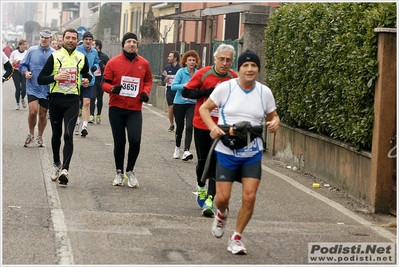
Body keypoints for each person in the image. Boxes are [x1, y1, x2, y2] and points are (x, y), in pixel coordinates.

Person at [199, 49, 280, 255]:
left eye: (254, 66)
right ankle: (222, 213)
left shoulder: (265, 92)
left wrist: (275, 122)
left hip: (252, 152)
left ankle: (236, 237)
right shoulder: (225, 88)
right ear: (239, 69)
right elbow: (204, 109)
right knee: (222, 198)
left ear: (258, 70)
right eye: (246, 65)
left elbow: (273, 115)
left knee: (250, 197)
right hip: (227, 150)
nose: (250, 69)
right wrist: (212, 127)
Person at [182, 44, 237, 217]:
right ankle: (200, 187)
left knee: (217, 162)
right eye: (221, 59)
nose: (224, 63)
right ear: (215, 59)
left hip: (223, 127)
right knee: (203, 161)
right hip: (202, 124)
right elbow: (186, 92)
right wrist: (207, 92)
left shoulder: (234, 78)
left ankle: (209, 200)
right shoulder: (203, 74)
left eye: (228, 60)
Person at [37, 28, 91, 185]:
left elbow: (87, 74)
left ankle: (65, 169)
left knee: (68, 134)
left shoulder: (81, 57)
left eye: (74, 38)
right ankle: (56, 163)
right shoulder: (54, 56)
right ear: (62, 39)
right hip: (55, 100)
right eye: (68, 37)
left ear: (77, 40)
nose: (71, 40)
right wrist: (55, 77)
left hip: (73, 100)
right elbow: (41, 79)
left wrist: (86, 80)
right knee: (56, 134)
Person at [101, 32, 152, 187]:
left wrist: (145, 92)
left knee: (135, 140)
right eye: (129, 41)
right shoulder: (113, 63)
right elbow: (104, 83)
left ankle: (130, 171)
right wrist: (112, 89)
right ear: (123, 44)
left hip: (134, 109)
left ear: (137, 45)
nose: (131, 44)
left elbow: (148, 80)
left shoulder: (144, 63)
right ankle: (118, 172)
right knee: (120, 142)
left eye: (134, 42)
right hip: (116, 108)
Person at [19, 29, 55, 148]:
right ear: (40, 37)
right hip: (33, 86)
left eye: (46, 37)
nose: (44, 39)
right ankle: (30, 134)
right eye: (42, 37)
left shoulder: (54, 53)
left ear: (50, 39)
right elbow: (22, 64)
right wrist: (26, 72)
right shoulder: (32, 50)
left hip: (47, 88)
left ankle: (40, 136)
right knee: (33, 111)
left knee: (43, 115)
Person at [170, 50, 200, 160]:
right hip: (179, 103)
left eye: (194, 60)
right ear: (185, 62)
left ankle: (186, 151)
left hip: (192, 103)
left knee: (189, 126)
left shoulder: (198, 73)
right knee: (180, 127)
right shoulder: (181, 72)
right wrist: (185, 85)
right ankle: (177, 148)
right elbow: (173, 86)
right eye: (190, 60)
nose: (192, 62)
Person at [75, 31, 99, 137]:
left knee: (87, 102)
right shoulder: (77, 50)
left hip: (89, 80)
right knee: (77, 103)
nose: (88, 41)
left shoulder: (94, 51)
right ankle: (76, 122)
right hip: (77, 80)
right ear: (83, 40)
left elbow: (97, 62)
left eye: (90, 40)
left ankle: (84, 126)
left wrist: (95, 66)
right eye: (86, 39)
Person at [90, 39, 109, 124]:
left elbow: (109, 69)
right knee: (92, 98)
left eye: (93, 44)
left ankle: (98, 115)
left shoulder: (104, 57)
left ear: (97, 46)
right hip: (93, 80)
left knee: (99, 98)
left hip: (101, 80)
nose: (91, 45)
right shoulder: (91, 55)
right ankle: (91, 116)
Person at [162, 51, 180, 132]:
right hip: (169, 91)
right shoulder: (167, 67)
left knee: (177, 109)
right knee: (171, 108)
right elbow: (163, 81)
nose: (168, 58)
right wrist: (165, 77)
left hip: (178, 92)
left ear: (175, 58)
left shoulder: (181, 68)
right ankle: (172, 124)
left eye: (170, 57)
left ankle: (179, 123)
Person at [9, 39, 27, 110]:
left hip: (23, 72)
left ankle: (22, 99)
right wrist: (13, 62)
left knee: (24, 88)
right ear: (19, 45)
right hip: (15, 72)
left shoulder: (27, 52)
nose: (24, 46)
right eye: (23, 44)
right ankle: (17, 103)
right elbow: (10, 62)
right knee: (18, 88)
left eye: (25, 44)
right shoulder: (14, 53)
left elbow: (29, 61)